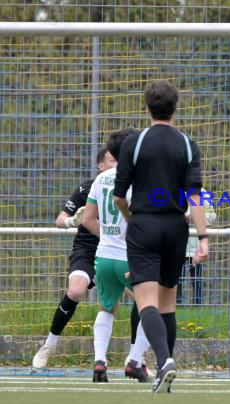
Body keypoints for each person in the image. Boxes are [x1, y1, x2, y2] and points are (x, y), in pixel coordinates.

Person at [114, 80, 208, 393]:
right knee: (168, 302)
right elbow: (195, 196)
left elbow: (119, 197)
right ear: (175, 108)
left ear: (147, 107)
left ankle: (165, 361)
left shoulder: (134, 143)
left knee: (146, 303)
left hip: (144, 225)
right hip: (176, 228)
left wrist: (133, 220)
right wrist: (203, 238)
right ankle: (162, 378)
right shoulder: (186, 143)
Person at [32, 148, 118, 368]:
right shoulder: (88, 188)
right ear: (100, 166)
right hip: (87, 251)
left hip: (118, 251)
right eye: (111, 160)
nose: (116, 163)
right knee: (75, 291)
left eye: (118, 159)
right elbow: (61, 219)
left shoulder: (131, 186)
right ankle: (48, 346)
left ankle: (137, 356)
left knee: (142, 297)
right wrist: (72, 221)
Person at [82, 128, 151, 383]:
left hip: (104, 256)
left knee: (107, 307)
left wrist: (110, 237)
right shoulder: (139, 179)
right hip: (130, 256)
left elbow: (88, 219)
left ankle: (100, 362)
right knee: (152, 307)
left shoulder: (100, 179)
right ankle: (135, 361)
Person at [177, 188, 217, 305]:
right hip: (177, 247)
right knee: (177, 281)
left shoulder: (202, 192)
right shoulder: (172, 188)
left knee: (197, 282)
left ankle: (198, 308)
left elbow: (212, 216)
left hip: (197, 248)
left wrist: (195, 217)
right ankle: (177, 309)